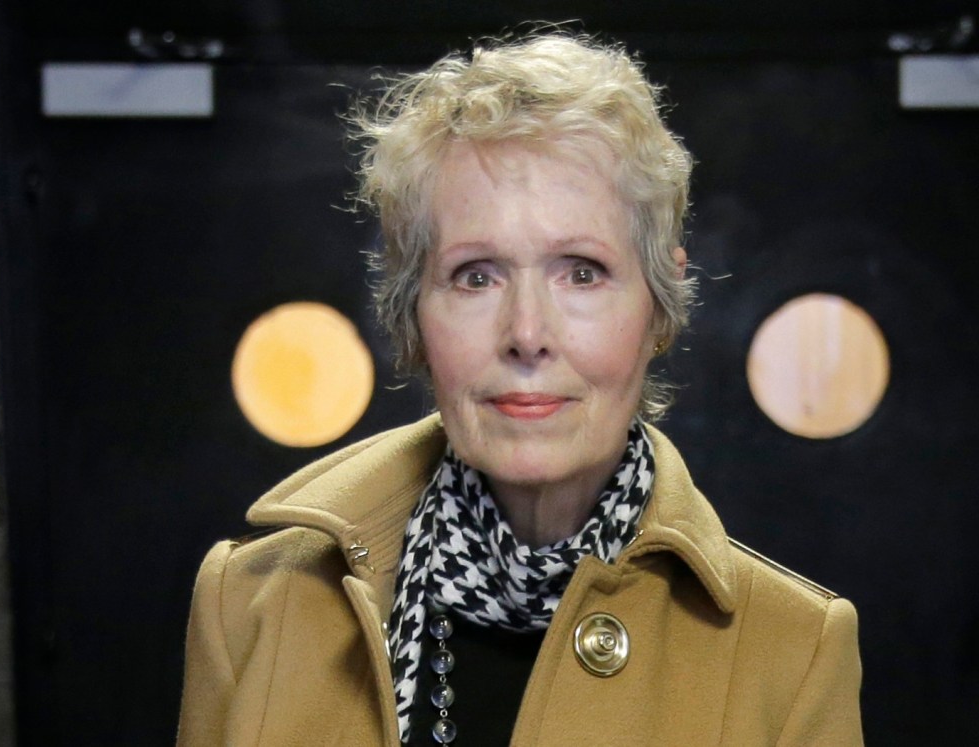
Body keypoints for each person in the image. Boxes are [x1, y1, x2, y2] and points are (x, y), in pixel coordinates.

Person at [177, 31, 863, 746]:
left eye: (582, 271)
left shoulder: (793, 652)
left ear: (658, 306)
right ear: (413, 312)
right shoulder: (250, 605)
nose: (527, 332)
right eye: (477, 275)